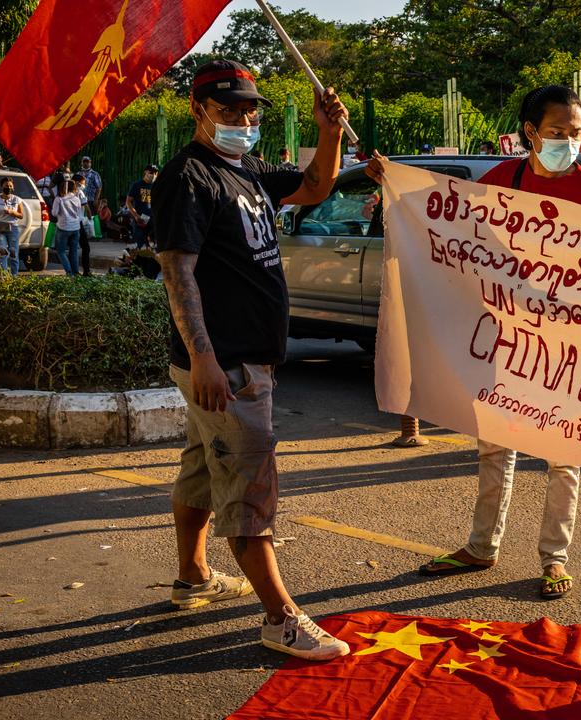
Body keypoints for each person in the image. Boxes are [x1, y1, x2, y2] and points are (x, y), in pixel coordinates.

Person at [366, 84, 581, 601]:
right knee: (493, 446)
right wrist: (391, 182)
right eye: (556, 133)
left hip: (568, 347)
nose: (568, 143)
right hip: (504, 338)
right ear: (530, 132)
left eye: (575, 133)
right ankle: (482, 546)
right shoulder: (504, 180)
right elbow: (446, 220)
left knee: (563, 454)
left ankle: (555, 558)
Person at [152, 59, 351, 661]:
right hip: (226, 365)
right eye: (228, 109)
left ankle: (192, 577)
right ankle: (280, 618)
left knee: (199, 467)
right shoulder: (188, 176)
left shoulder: (247, 171)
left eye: (248, 109)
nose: (242, 118)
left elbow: (316, 186)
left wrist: (331, 131)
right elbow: (178, 273)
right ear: (198, 110)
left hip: (236, 361)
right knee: (249, 486)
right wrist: (205, 358)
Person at [51, 177, 85, 276]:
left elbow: (54, 213)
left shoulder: (59, 199)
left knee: (61, 251)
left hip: (63, 228)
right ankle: (75, 272)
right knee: (74, 251)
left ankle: (69, 272)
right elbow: (79, 213)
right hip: (75, 228)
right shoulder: (76, 199)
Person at [127, 164, 157, 248]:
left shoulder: (156, 186)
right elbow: (128, 202)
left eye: (155, 173)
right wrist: (136, 216)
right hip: (140, 219)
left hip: (152, 220)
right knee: (138, 245)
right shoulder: (137, 185)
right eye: (151, 172)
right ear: (145, 172)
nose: (153, 175)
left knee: (152, 246)